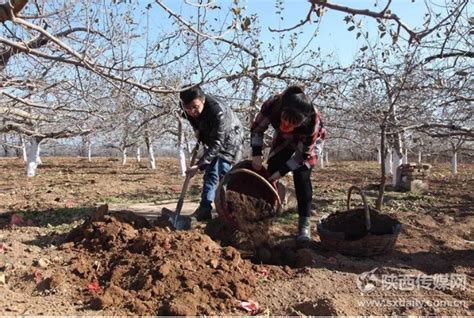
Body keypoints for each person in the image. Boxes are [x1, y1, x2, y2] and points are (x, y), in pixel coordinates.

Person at [250, 86, 326, 242]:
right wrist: (256, 155)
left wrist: (282, 172)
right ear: (282, 109)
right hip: (283, 139)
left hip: (306, 143)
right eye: (284, 121)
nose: (287, 126)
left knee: (302, 176)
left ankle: (304, 225)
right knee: (271, 169)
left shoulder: (312, 122)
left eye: (292, 124)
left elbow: (301, 156)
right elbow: (257, 129)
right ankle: (264, 215)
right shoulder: (272, 105)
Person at [180, 85, 243, 221]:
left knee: (223, 173)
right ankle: (205, 209)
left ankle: (230, 211)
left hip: (230, 138)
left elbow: (217, 143)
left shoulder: (217, 112)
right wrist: (197, 129)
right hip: (211, 134)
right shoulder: (185, 108)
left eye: (195, 107)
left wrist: (199, 165)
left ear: (202, 100)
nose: (192, 111)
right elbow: (191, 117)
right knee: (210, 173)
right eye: (188, 108)